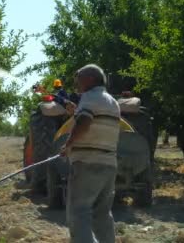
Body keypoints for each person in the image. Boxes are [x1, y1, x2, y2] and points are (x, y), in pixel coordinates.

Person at [60, 64, 120, 243]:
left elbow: (85, 121)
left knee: (79, 212)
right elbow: (92, 120)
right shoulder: (111, 101)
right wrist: (77, 112)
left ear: (89, 80)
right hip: (109, 165)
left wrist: (69, 145)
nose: (76, 84)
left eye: (78, 80)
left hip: (87, 163)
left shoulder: (89, 98)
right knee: (102, 214)